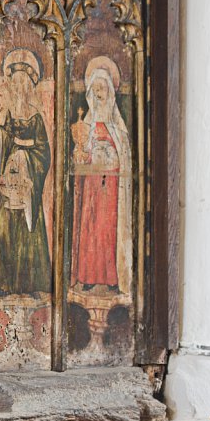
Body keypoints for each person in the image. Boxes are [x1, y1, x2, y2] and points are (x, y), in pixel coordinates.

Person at [70, 55, 133, 292]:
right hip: (92, 184)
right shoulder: (87, 121)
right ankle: (87, 276)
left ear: (109, 91)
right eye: (95, 87)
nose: (99, 92)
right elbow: (82, 150)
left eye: (102, 87)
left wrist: (111, 153)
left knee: (107, 229)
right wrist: (83, 153)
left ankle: (111, 279)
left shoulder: (118, 126)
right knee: (90, 226)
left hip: (112, 185)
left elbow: (124, 151)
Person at [0, 49, 51, 297]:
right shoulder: (7, 116)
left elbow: (44, 153)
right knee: (3, 229)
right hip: (10, 183)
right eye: (14, 83)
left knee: (30, 231)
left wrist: (25, 149)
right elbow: (2, 146)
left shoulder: (36, 117)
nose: (18, 88)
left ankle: (31, 285)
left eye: (22, 83)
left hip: (28, 184)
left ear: (29, 86)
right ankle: (7, 283)